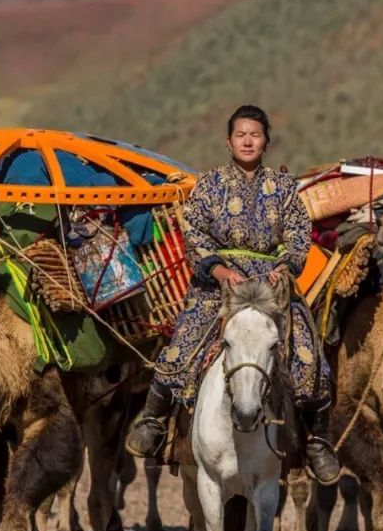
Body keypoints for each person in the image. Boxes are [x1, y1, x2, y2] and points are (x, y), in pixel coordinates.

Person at [124, 105, 340, 484]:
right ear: (228, 141)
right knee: (182, 345)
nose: (247, 140)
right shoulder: (209, 185)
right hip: (219, 286)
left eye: (255, 134)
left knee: (310, 357)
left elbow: (297, 236)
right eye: (240, 134)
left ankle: (318, 442)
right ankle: (154, 420)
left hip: (272, 288)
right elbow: (194, 234)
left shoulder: (285, 189)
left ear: (266, 142)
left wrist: (286, 266)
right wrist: (220, 271)